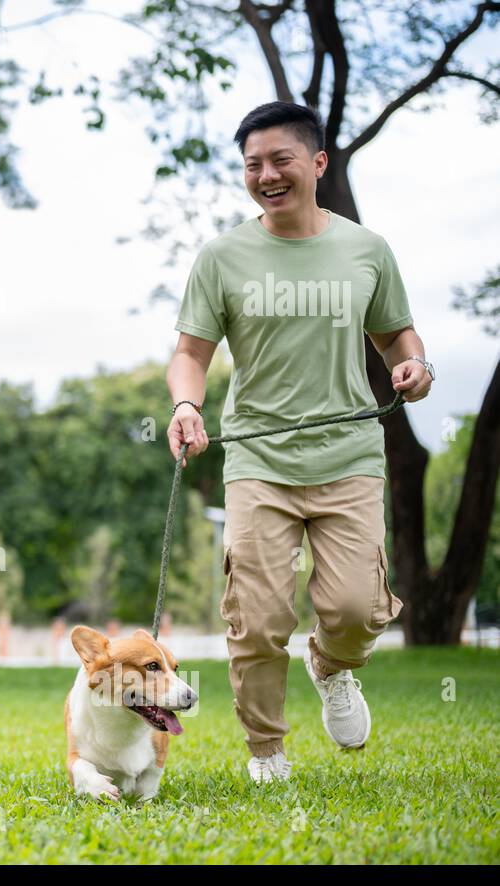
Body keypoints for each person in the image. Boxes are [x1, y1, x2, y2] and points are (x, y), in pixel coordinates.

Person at [165, 101, 434, 783]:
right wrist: (187, 404)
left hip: (349, 457)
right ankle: (267, 752)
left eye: (280, 159)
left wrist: (414, 365)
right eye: (252, 164)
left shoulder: (365, 249)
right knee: (255, 617)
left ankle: (332, 665)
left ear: (316, 163)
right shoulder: (223, 256)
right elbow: (189, 353)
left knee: (352, 608)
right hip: (258, 458)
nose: (266, 174)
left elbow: (398, 336)